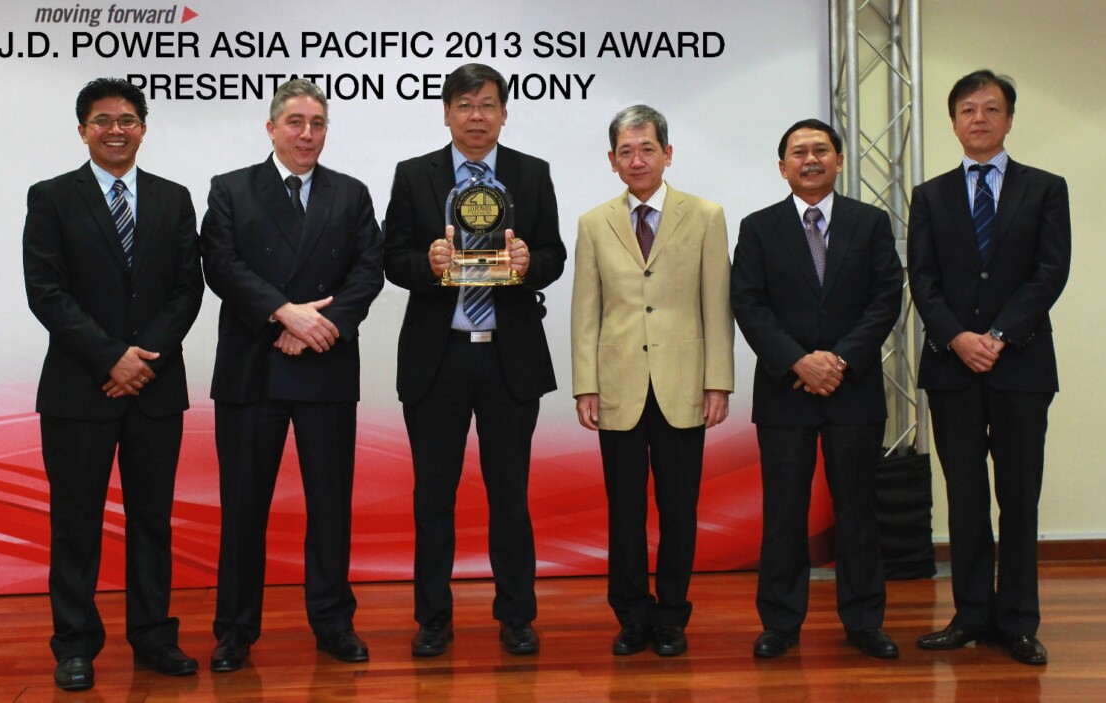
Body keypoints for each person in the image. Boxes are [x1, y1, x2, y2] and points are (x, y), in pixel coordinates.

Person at [22, 77, 204, 691]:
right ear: (83, 131)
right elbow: (46, 291)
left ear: (143, 129)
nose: (116, 130)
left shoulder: (173, 198)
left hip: (155, 386)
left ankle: (154, 638)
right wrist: (110, 359)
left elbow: (188, 288)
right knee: (76, 523)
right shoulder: (51, 197)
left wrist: (143, 359)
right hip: (79, 390)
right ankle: (75, 645)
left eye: (127, 119)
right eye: (102, 120)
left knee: (152, 520)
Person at [200, 78, 384, 671]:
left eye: (318, 123)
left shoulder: (350, 193)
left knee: (330, 505)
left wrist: (317, 327)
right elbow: (220, 265)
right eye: (296, 122)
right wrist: (285, 313)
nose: (308, 134)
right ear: (272, 128)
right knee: (243, 507)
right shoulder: (231, 189)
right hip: (252, 368)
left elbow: (369, 271)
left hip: (325, 364)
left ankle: (333, 623)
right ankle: (234, 630)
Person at [383, 63, 566, 657]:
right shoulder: (415, 175)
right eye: (464, 105)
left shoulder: (531, 173)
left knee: (509, 495)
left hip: (508, 358)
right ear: (446, 114)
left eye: (487, 105)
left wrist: (528, 264)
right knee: (433, 497)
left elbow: (554, 255)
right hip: (438, 359)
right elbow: (392, 258)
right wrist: (429, 264)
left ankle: (516, 615)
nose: (476, 117)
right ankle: (433, 617)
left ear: (504, 113)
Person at [909, 70, 1070, 666]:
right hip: (951, 368)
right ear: (953, 122)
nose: (979, 119)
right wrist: (958, 337)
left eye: (991, 108)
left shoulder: (1045, 189)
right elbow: (922, 278)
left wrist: (997, 336)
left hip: (1021, 364)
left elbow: (1050, 273)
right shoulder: (929, 196)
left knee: (1020, 496)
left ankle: (1019, 622)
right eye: (968, 110)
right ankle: (971, 614)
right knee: (966, 496)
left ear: (1009, 119)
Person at [731, 119, 904, 659]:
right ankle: (780, 623)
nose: (810, 159)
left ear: (839, 160)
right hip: (785, 391)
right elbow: (748, 303)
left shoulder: (870, 223)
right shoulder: (758, 227)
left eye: (821, 150)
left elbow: (886, 297)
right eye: (799, 152)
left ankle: (864, 621)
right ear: (782, 166)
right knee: (785, 513)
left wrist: (841, 360)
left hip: (854, 390)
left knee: (858, 510)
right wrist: (798, 362)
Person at [570, 105, 734, 657]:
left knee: (679, 508)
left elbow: (717, 303)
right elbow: (585, 311)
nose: (637, 160)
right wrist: (586, 385)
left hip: (684, 382)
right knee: (624, 511)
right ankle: (632, 616)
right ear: (612, 160)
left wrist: (718, 381)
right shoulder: (594, 223)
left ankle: (672, 616)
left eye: (647, 149)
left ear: (668, 154)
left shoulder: (706, 215)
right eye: (626, 151)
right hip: (617, 384)